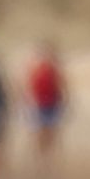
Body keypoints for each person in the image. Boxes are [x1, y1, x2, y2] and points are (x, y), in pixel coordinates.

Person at [26, 41, 68, 170]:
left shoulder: (53, 69)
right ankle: (41, 160)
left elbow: (62, 85)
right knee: (42, 134)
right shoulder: (36, 68)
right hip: (40, 104)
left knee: (49, 134)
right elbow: (28, 86)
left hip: (52, 104)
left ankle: (46, 161)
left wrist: (64, 100)